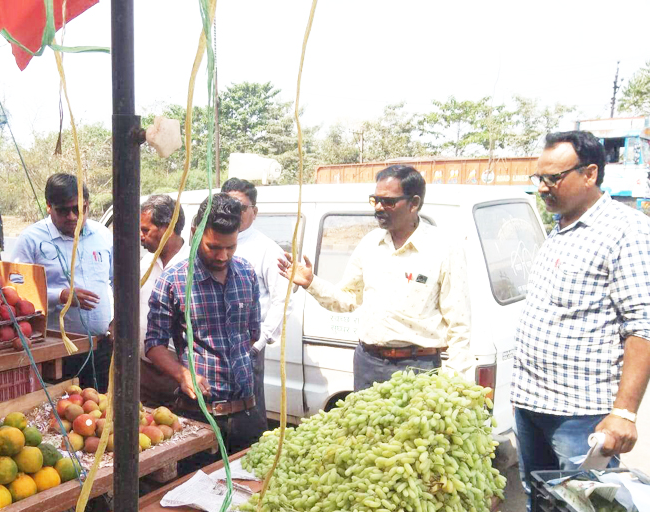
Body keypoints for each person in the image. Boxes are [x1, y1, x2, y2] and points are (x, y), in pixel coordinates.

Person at [471, 131, 650, 512]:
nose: (543, 187)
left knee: (586, 510)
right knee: (540, 499)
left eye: (553, 178)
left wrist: (624, 413)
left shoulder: (624, 231)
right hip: (533, 401)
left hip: (582, 411)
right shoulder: (560, 227)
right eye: (539, 178)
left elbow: (642, 327)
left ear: (590, 174)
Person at [278, 164, 472, 391]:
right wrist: (312, 283)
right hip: (368, 364)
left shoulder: (443, 248)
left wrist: (456, 386)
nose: (379, 207)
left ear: (414, 203)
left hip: (418, 368)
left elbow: (459, 325)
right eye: (375, 200)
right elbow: (348, 299)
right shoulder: (370, 243)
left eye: (388, 201)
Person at [146, 192, 266, 456]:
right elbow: (154, 346)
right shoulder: (173, 281)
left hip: (248, 415)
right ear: (195, 233)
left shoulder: (247, 274)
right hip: (200, 418)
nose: (223, 256)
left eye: (230, 247)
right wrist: (183, 374)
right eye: (214, 247)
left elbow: (252, 333)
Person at [11, 173, 113, 391]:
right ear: (49, 206)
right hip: (57, 350)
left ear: (88, 204)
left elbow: (120, 281)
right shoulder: (32, 239)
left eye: (79, 209)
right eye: (63, 210)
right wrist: (61, 296)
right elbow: (15, 290)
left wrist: (119, 320)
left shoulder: (103, 235)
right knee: (62, 413)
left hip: (101, 346)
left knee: (101, 411)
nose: (72, 216)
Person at [221, 177, 292, 427]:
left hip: (246, 346)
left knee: (246, 418)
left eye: (240, 207)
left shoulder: (266, 249)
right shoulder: (209, 243)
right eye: (227, 204)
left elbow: (282, 301)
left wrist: (257, 344)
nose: (233, 212)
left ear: (254, 211)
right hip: (211, 348)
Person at [139, 194, 185, 406]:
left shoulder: (193, 266)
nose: (140, 236)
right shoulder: (145, 262)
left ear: (167, 228)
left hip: (180, 375)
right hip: (144, 372)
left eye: (146, 230)